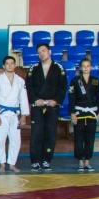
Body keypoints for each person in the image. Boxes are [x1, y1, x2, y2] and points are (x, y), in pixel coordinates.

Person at [26, 43, 66, 171]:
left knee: (50, 133)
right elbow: (29, 87)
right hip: (38, 106)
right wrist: (35, 100)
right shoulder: (33, 68)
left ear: (49, 51)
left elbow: (62, 87)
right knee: (36, 134)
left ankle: (46, 160)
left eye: (43, 51)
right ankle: (35, 161)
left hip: (52, 106)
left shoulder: (59, 68)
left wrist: (56, 100)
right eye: (39, 52)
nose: (41, 54)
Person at [0, 56, 30, 173]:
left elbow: (23, 98)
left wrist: (24, 115)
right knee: (1, 139)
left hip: (15, 114)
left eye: (12, 63)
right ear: (3, 66)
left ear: (15, 65)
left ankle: (12, 163)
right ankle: (2, 164)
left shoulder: (20, 81)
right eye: (7, 63)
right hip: (2, 113)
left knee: (15, 140)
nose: (10, 65)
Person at [68, 58, 99, 172]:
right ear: (80, 68)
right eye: (83, 66)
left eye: (88, 66)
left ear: (91, 67)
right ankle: (80, 161)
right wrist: (72, 113)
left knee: (90, 139)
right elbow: (71, 98)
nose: (86, 68)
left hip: (91, 113)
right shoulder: (75, 81)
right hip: (79, 113)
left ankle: (87, 161)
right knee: (78, 139)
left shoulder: (96, 81)